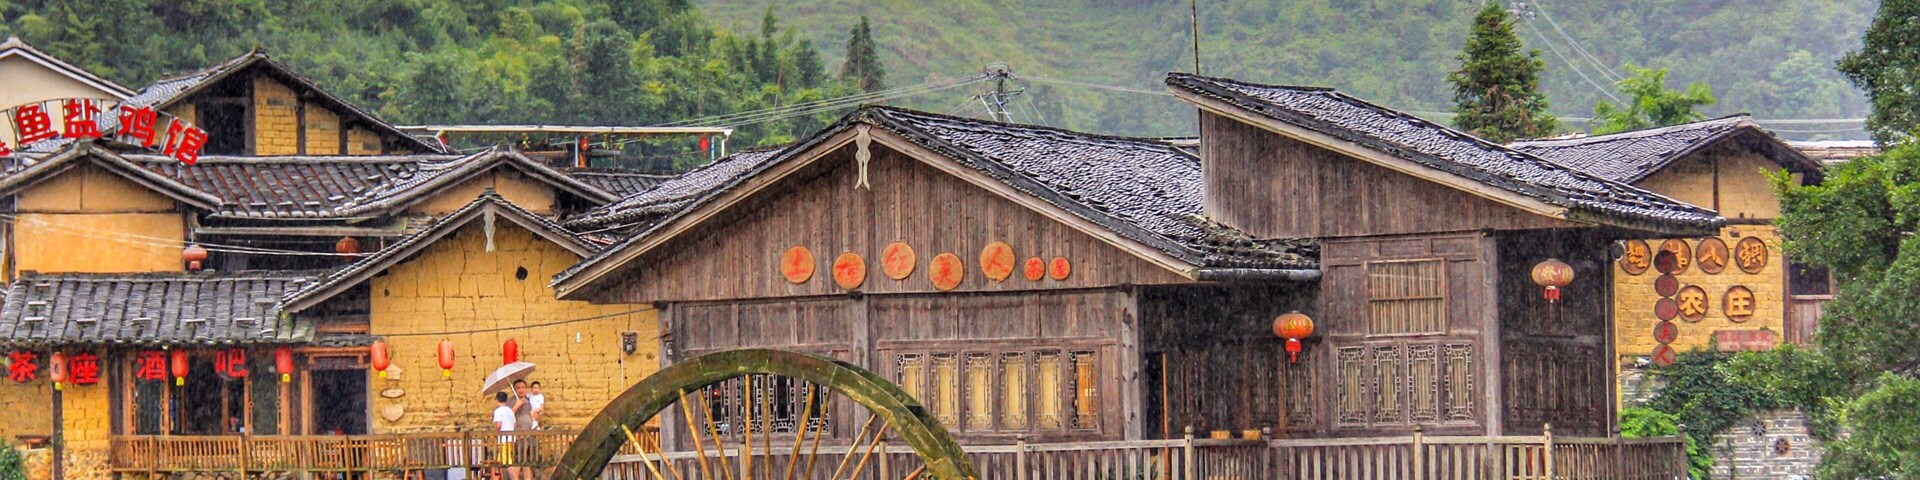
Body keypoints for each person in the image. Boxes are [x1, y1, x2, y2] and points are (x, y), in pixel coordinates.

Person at [511, 380, 535, 480]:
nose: (521, 390)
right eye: (518, 388)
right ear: (515, 390)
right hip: (519, 435)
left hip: (529, 434)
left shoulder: (529, 400)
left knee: (526, 462)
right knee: (520, 460)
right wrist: (517, 405)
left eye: (523, 387)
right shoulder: (511, 401)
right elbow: (509, 415)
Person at [492, 391, 517, 480]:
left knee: (507, 462)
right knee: (502, 462)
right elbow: (514, 425)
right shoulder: (510, 411)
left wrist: (495, 432)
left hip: (503, 440)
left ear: (497, 400)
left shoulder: (498, 411)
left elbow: (498, 425)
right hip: (511, 439)